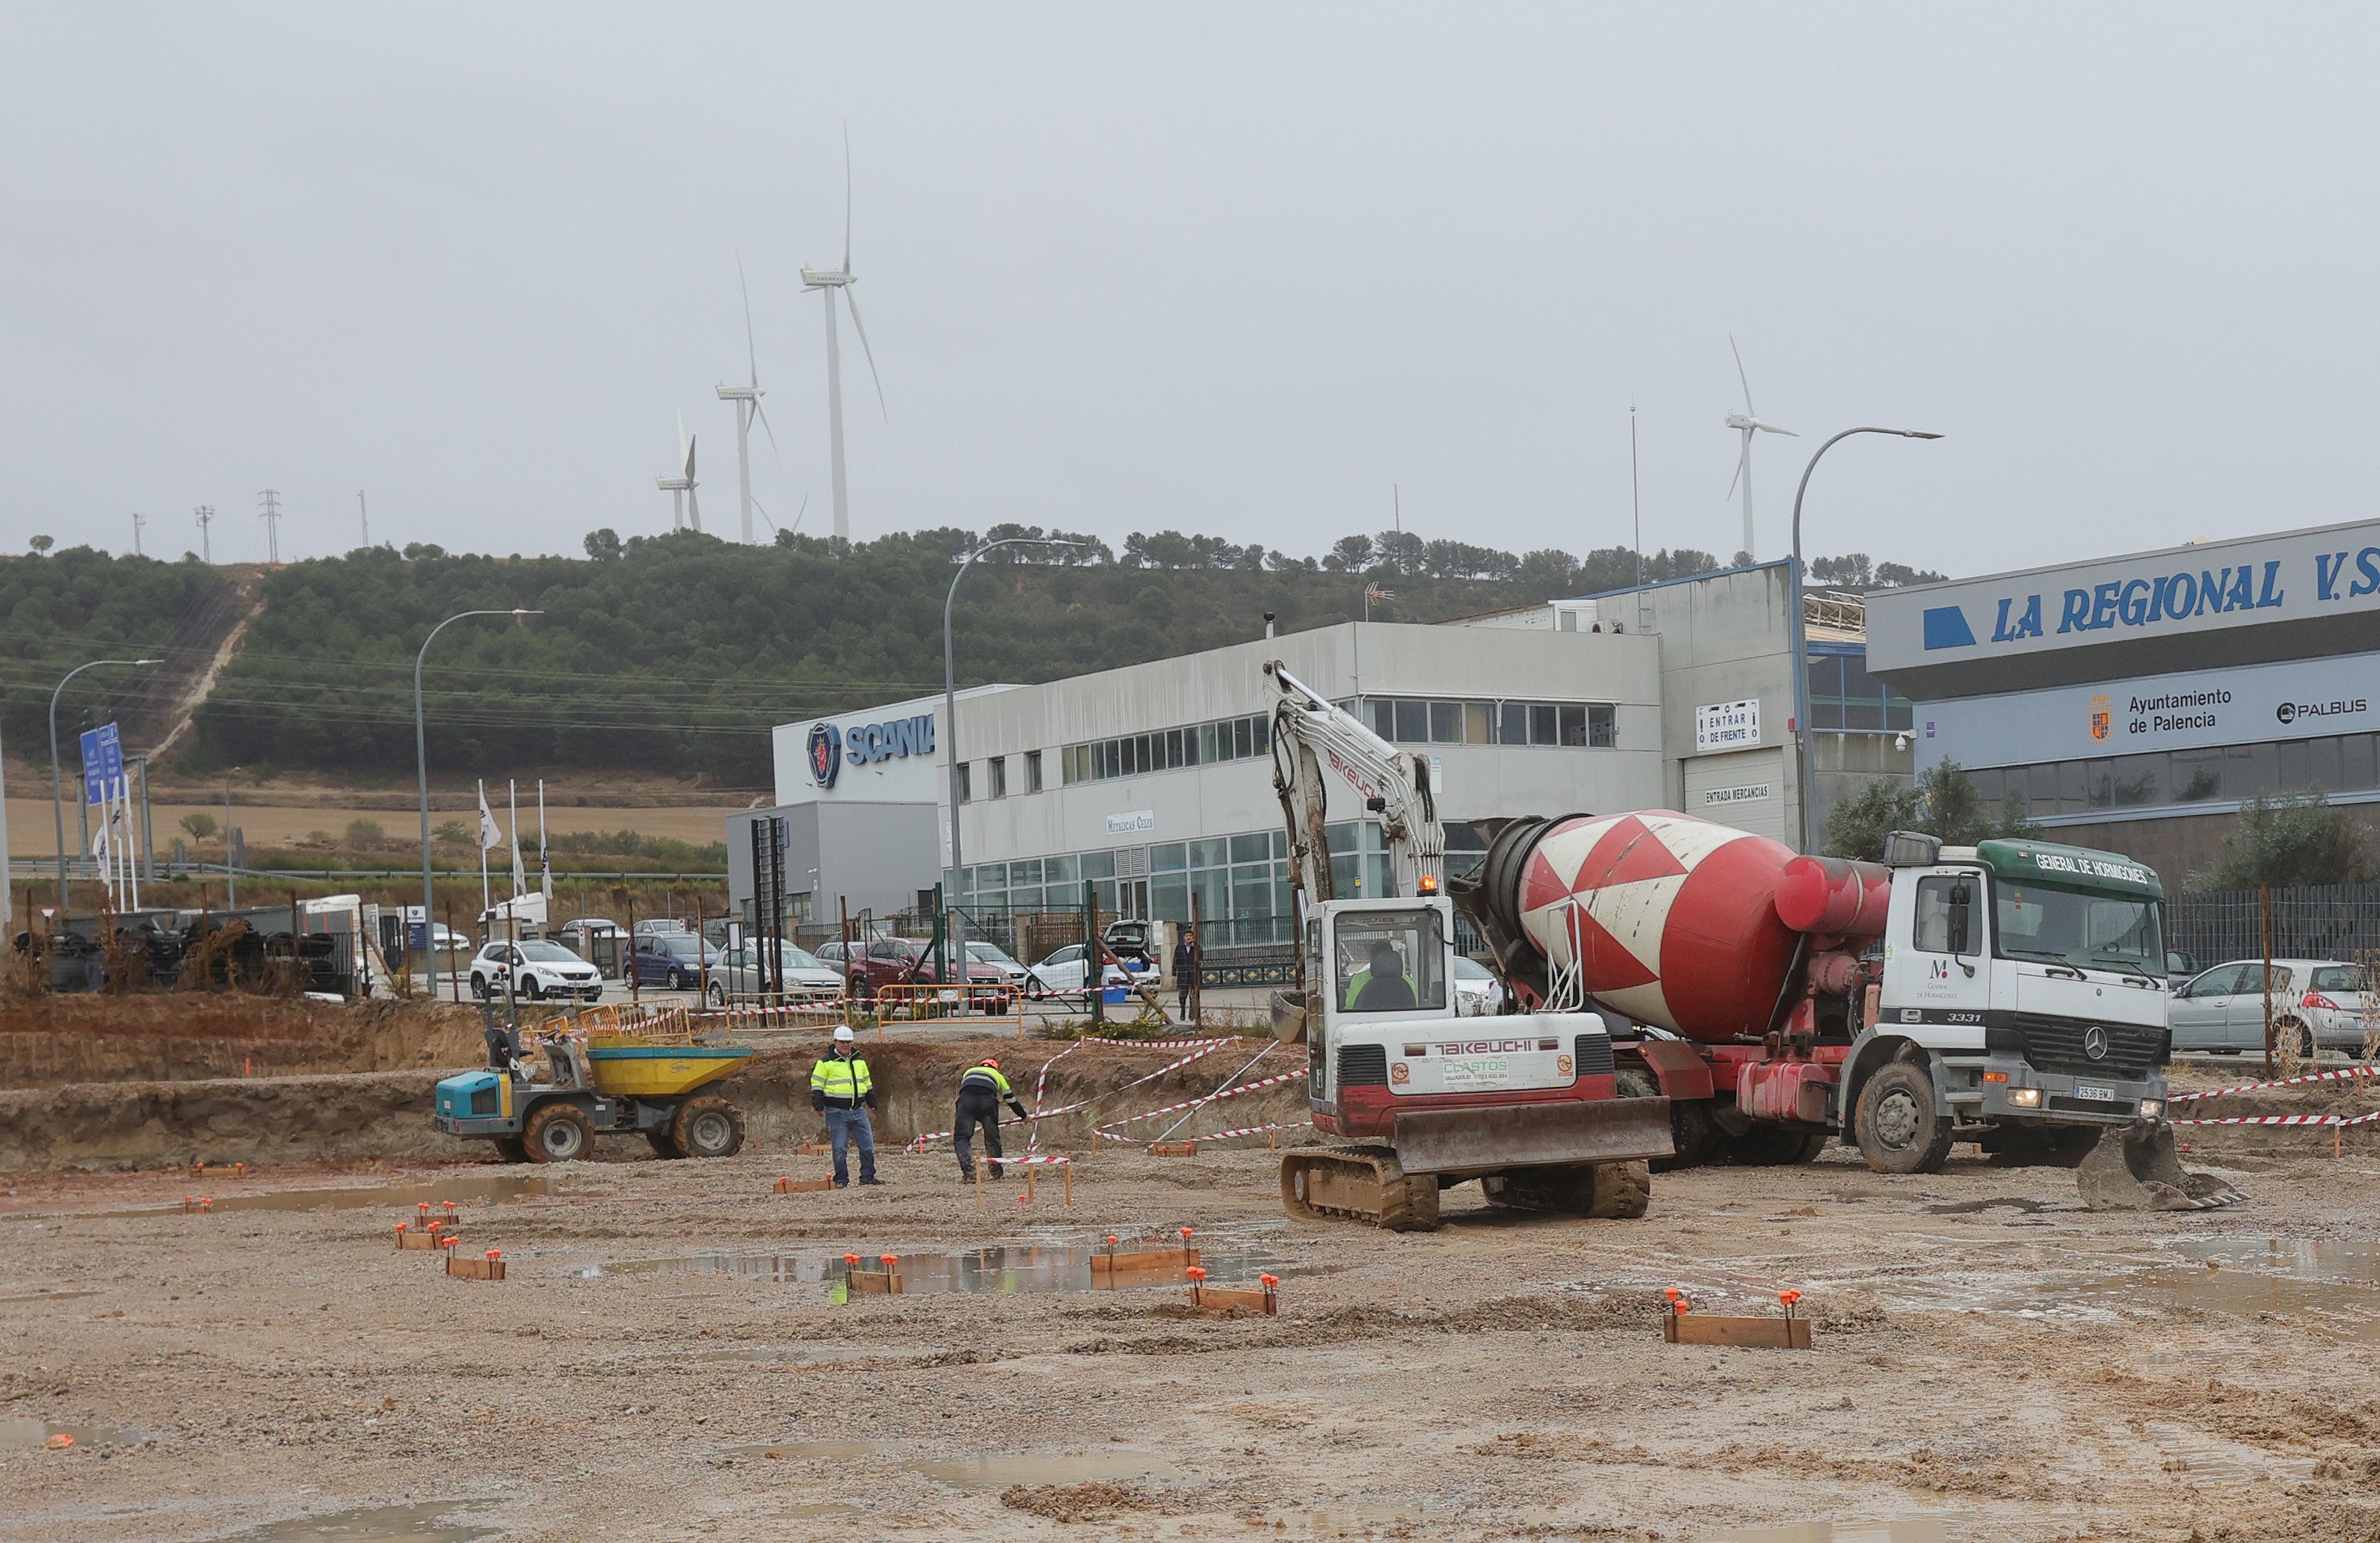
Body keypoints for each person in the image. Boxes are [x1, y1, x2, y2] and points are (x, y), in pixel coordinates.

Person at [809, 1025, 883, 1186]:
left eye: (848, 1042)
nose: (845, 1045)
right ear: (835, 1042)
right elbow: (817, 1085)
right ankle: (841, 1179)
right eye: (842, 1042)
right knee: (840, 1148)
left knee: (867, 1146)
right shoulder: (825, 1062)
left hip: (857, 1110)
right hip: (836, 1111)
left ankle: (868, 1177)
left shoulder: (859, 1061)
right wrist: (818, 1105)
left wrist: (871, 1100)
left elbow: (866, 1083)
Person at [952, 1056, 1030, 1181]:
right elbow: (1010, 1099)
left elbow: (965, 1090)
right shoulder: (998, 1076)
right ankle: (996, 1173)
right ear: (996, 1068)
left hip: (966, 1102)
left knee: (962, 1137)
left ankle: (970, 1174)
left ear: (981, 1065)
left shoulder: (969, 1071)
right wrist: (1024, 1116)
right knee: (992, 1137)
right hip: (987, 1103)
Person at [1345, 940, 1418, 1011]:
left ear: (1372, 958)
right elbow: (1416, 1005)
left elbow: (1350, 1008)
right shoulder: (1407, 981)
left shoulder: (1358, 979)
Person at [1171, 927, 1200, 1020]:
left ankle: (1192, 1014)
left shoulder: (1196, 947)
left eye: (1190, 936)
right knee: (1182, 995)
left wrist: (1195, 946)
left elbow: (1201, 957)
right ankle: (1182, 1011)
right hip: (1183, 975)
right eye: (1187, 936)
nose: (1189, 937)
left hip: (1193, 975)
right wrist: (1174, 974)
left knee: (1193, 995)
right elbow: (1175, 960)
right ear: (1184, 938)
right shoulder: (1179, 948)